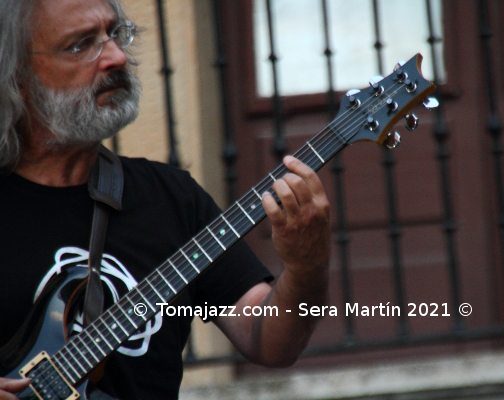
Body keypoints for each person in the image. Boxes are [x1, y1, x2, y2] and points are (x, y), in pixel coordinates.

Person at [0, 0, 330, 399]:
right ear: (15, 74)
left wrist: (306, 267)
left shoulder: (170, 197)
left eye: (114, 34)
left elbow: (271, 342)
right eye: (80, 45)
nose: (117, 56)